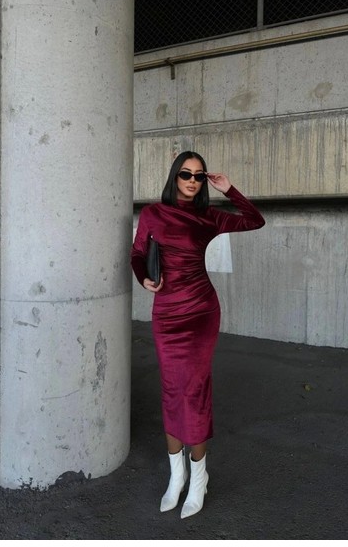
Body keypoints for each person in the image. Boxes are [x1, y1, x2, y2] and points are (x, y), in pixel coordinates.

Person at [131, 151, 265, 519]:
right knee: (171, 392)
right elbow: (138, 253)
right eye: (186, 174)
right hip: (166, 315)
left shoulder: (208, 216)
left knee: (195, 392)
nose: (192, 181)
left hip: (201, 312)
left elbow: (255, 220)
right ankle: (177, 477)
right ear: (174, 176)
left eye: (199, 175)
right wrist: (143, 277)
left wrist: (229, 189)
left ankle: (199, 477)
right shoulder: (153, 214)